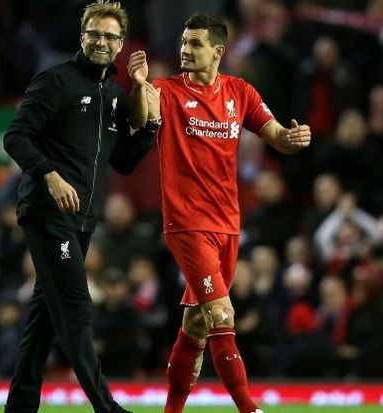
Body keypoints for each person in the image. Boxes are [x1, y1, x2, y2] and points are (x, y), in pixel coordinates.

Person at [127, 12, 311, 413]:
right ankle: (249, 408)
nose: (185, 50)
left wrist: (292, 138)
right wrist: (140, 87)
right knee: (221, 313)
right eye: (183, 42)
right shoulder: (166, 90)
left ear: (218, 51)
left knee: (196, 323)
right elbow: (141, 120)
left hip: (227, 224)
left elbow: (276, 135)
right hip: (187, 223)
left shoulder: (239, 92)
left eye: (195, 43)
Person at [1, 1, 160, 413]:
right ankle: (108, 408)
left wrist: (151, 125)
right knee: (76, 310)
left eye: (110, 36)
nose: (101, 42)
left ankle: (19, 409)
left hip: (83, 220)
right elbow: (15, 136)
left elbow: (123, 161)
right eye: (95, 33)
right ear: (82, 36)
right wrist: (49, 175)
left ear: (121, 44)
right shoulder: (55, 81)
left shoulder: (116, 95)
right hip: (47, 213)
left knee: (43, 323)